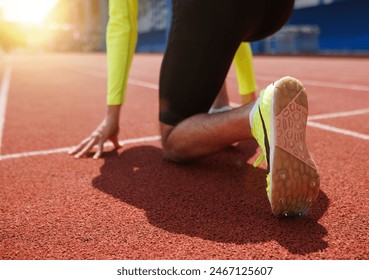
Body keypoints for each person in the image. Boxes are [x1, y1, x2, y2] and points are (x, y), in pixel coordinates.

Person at [71, 0, 320, 217]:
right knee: (219, 31)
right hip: (276, 11)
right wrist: (248, 91)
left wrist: (112, 115)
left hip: (213, 8)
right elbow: (231, 34)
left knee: (172, 139)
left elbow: (121, 22)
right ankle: (223, 109)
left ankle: (256, 115)